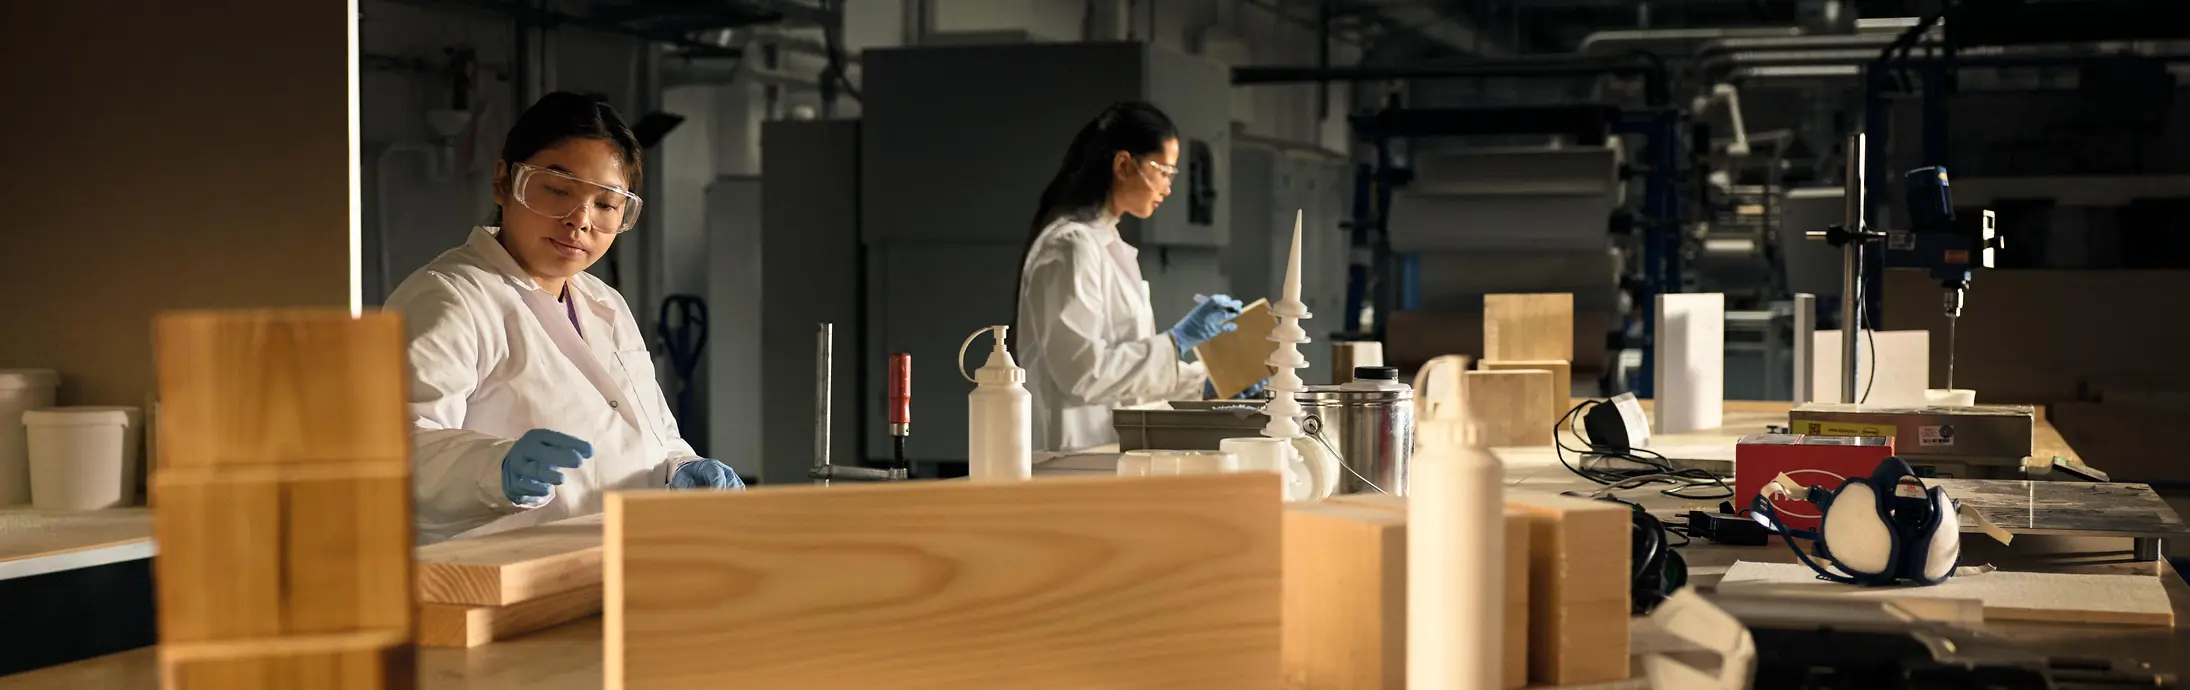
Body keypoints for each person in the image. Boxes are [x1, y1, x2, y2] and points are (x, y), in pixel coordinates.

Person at [387, 92, 742, 544]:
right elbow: (398, 451)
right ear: (503, 183)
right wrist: (497, 470)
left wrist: (681, 467)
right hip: (498, 584)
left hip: (612, 566)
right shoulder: (449, 296)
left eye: (606, 204)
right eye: (556, 189)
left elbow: (650, 432)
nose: (579, 221)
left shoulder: (604, 301)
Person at [1014, 101, 1264, 452]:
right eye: (1164, 171)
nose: (1168, 188)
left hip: (1108, 451)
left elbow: (1125, 371)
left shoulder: (1107, 244)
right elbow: (1083, 373)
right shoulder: (1069, 247)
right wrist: (1177, 341)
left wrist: (1206, 385)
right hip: (1072, 456)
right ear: (1123, 164)